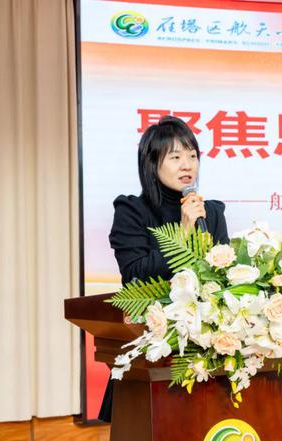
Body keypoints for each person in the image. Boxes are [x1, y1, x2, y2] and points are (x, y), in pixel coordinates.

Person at [98, 115, 230, 422]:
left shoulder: (211, 212)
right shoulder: (132, 211)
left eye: (192, 156)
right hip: (153, 344)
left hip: (207, 345)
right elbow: (134, 275)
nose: (187, 165)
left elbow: (223, 275)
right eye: (175, 157)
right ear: (151, 163)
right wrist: (183, 234)